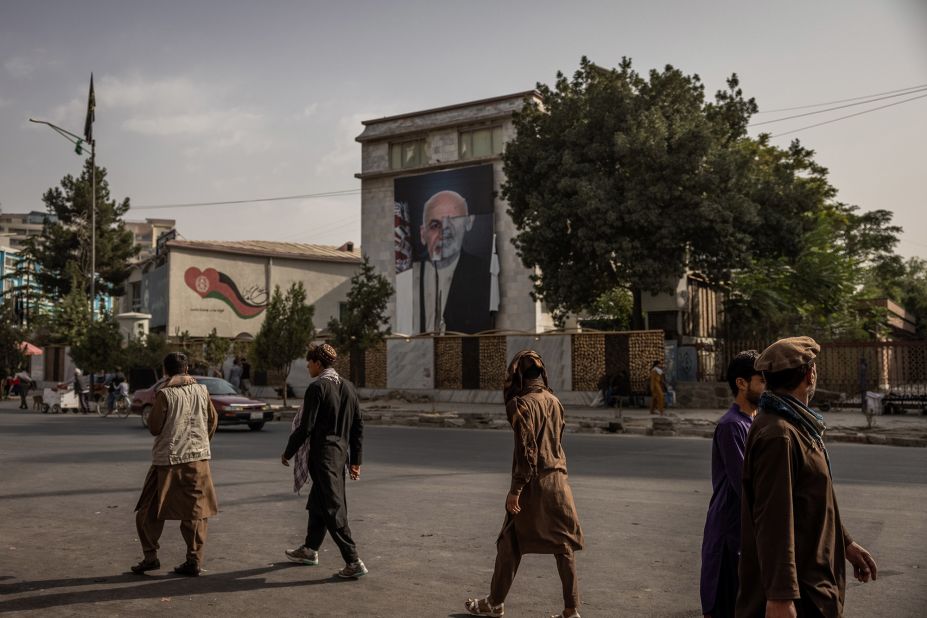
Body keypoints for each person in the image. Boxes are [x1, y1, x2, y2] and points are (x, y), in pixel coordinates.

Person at [737, 337, 878, 618]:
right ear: (810, 374)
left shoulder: (796, 424)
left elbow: (812, 500)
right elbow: (773, 519)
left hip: (814, 586)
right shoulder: (780, 434)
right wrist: (780, 597)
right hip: (801, 595)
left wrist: (845, 542)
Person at [465, 350, 584, 618]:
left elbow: (527, 450)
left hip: (532, 485)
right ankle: (571, 610)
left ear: (517, 376)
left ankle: (494, 603)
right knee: (563, 546)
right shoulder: (555, 401)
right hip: (559, 483)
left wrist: (515, 490)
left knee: (510, 540)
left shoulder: (521, 405)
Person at [281, 343, 366, 579]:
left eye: (309, 362)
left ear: (318, 363)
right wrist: (355, 460)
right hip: (339, 456)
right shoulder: (348, 387)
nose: (308, 365)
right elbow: (358, 426)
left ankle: (353, 561)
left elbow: (305, 427)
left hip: (323, 457)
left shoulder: (317, 387)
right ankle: (309, 550)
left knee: (332, 508)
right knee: (318, 504)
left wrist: (288, 451)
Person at [132, 352, 219, 577]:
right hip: (198, 460)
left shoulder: (165, 394)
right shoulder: (202, 390)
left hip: (168, 462)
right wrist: (201, 442)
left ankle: (150, 557)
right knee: (195, 512)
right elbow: (212, 420)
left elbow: (154, 427)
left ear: (165, 372)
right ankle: (194, 560)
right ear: (187, 368)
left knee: (148, 510)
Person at [700, 351, 765, 618]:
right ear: (742, 383)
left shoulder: (756, 422)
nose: (766, 387)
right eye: (761, 381)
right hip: (729, 532)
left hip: (746, 530)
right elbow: (745, 484)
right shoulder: (732, 426)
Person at [418, 190, 491, 334]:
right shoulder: (409, 275)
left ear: (469, 222)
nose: (445, 232)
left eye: (452, 222)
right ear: (423, 233)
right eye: (435, 225)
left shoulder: (485, 275)